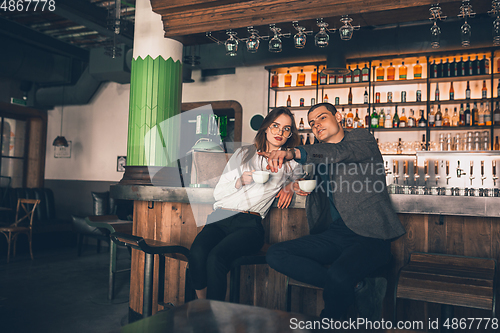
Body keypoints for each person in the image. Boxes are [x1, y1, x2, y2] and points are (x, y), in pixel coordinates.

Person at [260, 103, 405, 319]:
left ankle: (328, 323)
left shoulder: (361, 138)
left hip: (371, 236)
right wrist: (293, 185)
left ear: (338, 117)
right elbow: (321, 180)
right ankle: (356, 286)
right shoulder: (320, 159)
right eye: (311, 123)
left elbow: (339, 153)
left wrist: (292, 152)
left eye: (322, 118)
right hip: (336, 234)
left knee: (339, 275)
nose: (316, 125)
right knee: (276, 254)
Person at [189, 107, 303, 301]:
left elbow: (305, 176)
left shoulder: (290, 163)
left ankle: (212, 318)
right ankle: (202, 306)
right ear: (266, 127)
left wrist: (291, 185)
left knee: (217, 258)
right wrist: (239, 181)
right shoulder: (243, 153)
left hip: (249, 224)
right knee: (197, 253)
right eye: (275, 126)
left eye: (286, 129)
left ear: (290, 134)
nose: (280, 132)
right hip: (220, 218)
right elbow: (218, 193)